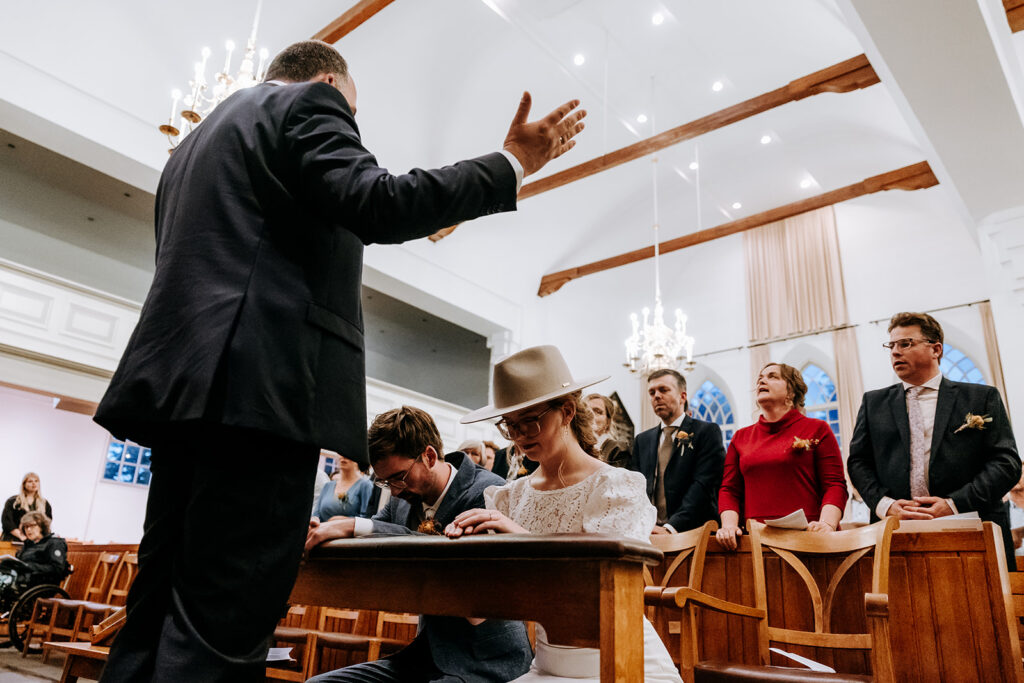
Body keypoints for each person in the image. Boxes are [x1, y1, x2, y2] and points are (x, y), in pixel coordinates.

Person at [91, 39, 584, 682]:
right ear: (329, 81)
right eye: (353, 114)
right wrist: (513, 161)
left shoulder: (192, 147)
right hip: (260, 397)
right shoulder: (309, 102)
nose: (350, 126)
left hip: (181, 394)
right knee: (222, 626)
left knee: (155, 618)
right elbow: (376, 201)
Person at [448, 345, 682, 682]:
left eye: (530, 421)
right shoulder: (509, 497)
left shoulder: (616, 486)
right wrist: (465, 563)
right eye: (509, 426)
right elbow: (481, 616)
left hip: (624, 661)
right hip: (547, 667)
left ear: (568, 411)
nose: (518, 436)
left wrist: (518, 538)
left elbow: (602, 594)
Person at [305, 405, 532, 682]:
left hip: (487, 659)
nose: (396, 491)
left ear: (429, 455)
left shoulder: (488, 491)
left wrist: (354, 524)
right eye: (385, 483)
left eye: (399, 477)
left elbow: (443, 556)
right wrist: (326, 531)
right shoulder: (401, 500)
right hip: (426, 656)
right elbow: (375, 541)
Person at [847, 312, 1021, 565]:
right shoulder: (874, 403)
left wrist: (954, 504)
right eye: (891, 345)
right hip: (897, 530)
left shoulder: (979, 398)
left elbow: (1006, 464)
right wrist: (885, 505)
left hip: (972, 525)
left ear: (936, 349)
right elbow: (858, 462)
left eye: (905, 343)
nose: (895, 352)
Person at [716, 363, 849, 550]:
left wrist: (827, 524)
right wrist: (729, 526)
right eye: (760, 378)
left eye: (772, 376)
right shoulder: (741, 437)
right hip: (756, 540)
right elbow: (729, 489)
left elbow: (834, 484)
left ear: (791, 391)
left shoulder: (817, 429)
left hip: (809, 538)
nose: (762, 380)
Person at [630, 369, 725, 534]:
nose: (656, 396)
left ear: (683, 396)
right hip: (649, 532)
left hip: (693, 532)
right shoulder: (642, 440)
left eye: (663, 390)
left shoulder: (706, 432)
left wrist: (671, 527)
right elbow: (635, 487)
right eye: (652, 392)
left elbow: (703, 485)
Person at [0, 512, 69, 587]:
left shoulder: (54, 543)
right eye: (26, 527)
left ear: (42, 526)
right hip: (21, 579)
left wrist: (28, 566)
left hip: (40, 583)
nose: (28, 530)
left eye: (32, 526)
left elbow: (56, 569)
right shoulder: (29, 544)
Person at [312, 454, 373, 521]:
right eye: (341, 453)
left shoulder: (365, 486)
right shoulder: (328, 486)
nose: (343, 457)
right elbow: (316, 514)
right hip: (321, 530)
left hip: (347, 530)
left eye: (349, 453)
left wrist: (345, 521)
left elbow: (367, 518)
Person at [2, 473, 52, 542]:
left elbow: (47, 523)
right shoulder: (13, 502)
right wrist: (22, 537)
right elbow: (7, 523)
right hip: (14, 540)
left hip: (36, 542)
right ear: (24, 484)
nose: (34, 483)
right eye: (30, 481)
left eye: (36, 481)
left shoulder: (45, 504)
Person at [585, 392, 630, 468]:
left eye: (598, 412)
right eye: (586, 411)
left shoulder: (617, 449)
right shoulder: (575, 448)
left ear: (608, 422)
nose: (591, 415)